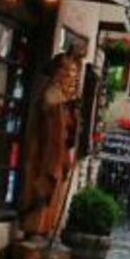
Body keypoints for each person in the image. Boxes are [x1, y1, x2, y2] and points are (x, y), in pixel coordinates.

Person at [19, 50, 82, 238]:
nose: (72, 79)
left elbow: (69, 131)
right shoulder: (51, 96)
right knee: (42, 191)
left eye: (74, 74)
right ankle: (35, 229)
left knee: (52, 198)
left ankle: (44, 230)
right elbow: (53, 133)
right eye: (68, 74)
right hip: (45, 156)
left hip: (57, 155)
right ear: (59, 73)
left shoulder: (63, 98)